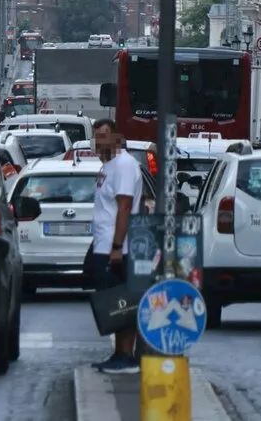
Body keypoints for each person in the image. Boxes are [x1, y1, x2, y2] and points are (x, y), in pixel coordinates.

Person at [88, 117, 143, 375]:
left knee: (122, 302)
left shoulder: (124, 164)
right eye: (96, 136)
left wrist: (117, 246)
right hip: (103, 243)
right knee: (113, 301)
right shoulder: (108, 165)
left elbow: (124, 206)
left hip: (118, 246)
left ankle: (126, 355)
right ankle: (119, 353)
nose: (99, 141)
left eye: (104, 135)